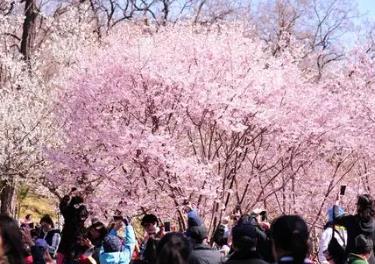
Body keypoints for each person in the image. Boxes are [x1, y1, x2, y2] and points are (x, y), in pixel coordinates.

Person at [333, 194, 375, 264]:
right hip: (369, 260)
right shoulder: (374, 224)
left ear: (359, 206)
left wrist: (337, 202)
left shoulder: (351, 220)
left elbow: (336, 217)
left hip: (351, 259)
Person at [57, 193, 89, 264]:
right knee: (72, 257)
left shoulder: (68, 211)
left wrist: (67, 197)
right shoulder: (82, 210)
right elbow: (85, 214)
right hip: (76, 237)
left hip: (66, 237)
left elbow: (62, 206)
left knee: (62, 255)